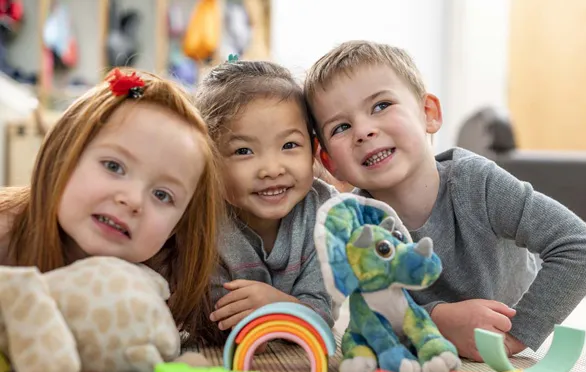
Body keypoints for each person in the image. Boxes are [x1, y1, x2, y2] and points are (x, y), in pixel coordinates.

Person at [304, 40, 586, 360]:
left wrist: (518, 335)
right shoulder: (353, 221)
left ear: (428, 114)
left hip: (500, 339)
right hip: (429, 348)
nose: (363, 131)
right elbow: (365, 308)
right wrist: (439, 319)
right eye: (341, 126)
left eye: (381, 106)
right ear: (329, 161)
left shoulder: (479, 184)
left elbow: (581, 248)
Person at [0, 68, 225, 343]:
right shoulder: (5, 232)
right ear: (63, 155)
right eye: (114, 166)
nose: (132, 200)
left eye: (162, 195)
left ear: (179, 226)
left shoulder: (167, 281)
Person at [194, 60, 336, 333]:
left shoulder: (326, 214)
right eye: (243, 151)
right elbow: (209, 319)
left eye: (289, 145)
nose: (272, 169)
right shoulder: (203, 217)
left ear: (313, 149)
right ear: (209, 159)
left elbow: (322, 315)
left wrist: (277, 308)